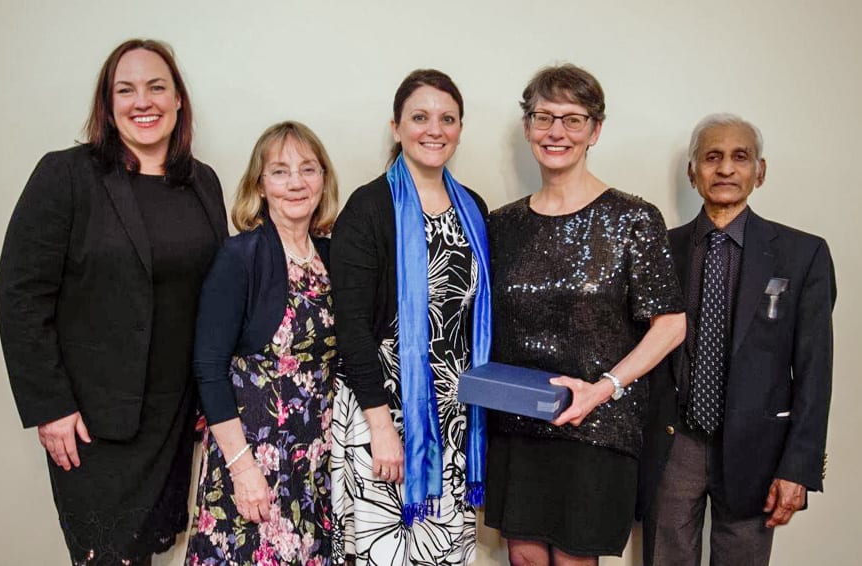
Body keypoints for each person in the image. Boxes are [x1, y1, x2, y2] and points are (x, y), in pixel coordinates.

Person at [0, 39, 227, 565]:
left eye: (156, 87)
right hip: (94, 423)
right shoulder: (67, 176)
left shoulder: (202, 182)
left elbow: (214, 295)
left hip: (174, 416)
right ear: (108, 104)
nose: (142, 101)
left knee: (149, 553)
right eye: (126, 90)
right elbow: (20, 294)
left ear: (178, 101)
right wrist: (49, 406)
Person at [484, 64, 686, 566]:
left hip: (597, 424)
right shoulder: (501, 224)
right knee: (525, 558)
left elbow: (671, 323)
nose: (557, 132)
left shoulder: (633, 218)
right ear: (528, 126)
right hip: (518, 425)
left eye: (573, 119)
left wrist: (604, 387)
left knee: (576, 560)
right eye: (544, 117)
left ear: (595, 130)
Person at [637, 113, 837, 566]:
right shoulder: (660, 250)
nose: (725, 168)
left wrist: (797, 467)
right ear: (693, 172)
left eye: (739, 157)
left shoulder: (803, 255)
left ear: (759, 172)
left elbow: (814, 370)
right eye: (712, 157)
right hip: (674, 444)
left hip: (756, 449)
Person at [329, 69, 491, 565]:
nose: (434, 130)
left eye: (447, 118)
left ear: (460, 127)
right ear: (397, 127)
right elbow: (352, 328)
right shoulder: (369, 206)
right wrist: (382, 427)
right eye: (419, 117)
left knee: (442, 554)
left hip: (452, 420)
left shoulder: (474, 209)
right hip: (384, 414)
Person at [186, 121, 339, 565]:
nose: (296, 183)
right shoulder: (240, 257)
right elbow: (209, 369)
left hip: (314, 464)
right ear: (260, 184)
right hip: (254, 459)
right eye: (280, 171)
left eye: (308, 169)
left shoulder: (332, 257)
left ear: (323, 179)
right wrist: (243, 468)